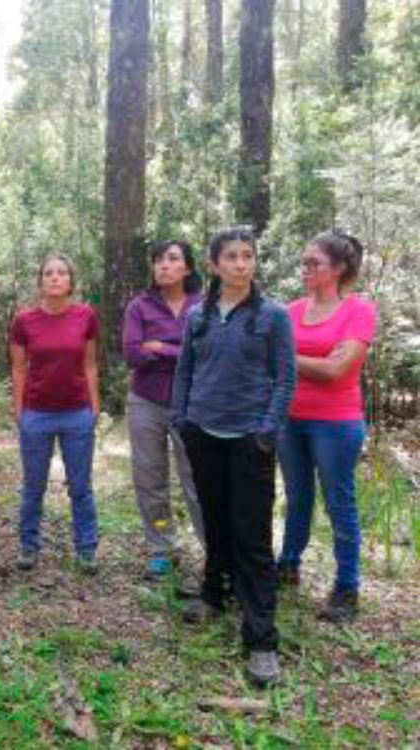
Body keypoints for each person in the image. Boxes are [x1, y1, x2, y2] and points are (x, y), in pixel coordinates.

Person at [171, 227, 295, 688]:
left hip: (249, 440)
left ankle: (261, 639)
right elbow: (185, 370)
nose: (241, 264)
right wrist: (181, 418)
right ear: (214, 264)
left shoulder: (272, 315)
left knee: (253, 536)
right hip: (203, 433)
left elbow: (285, 378)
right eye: (232, 256)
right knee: (215, 520)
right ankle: (213, 594)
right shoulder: (198, 315)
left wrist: (266, 431)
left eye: (248, 256)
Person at [277, 232, 377, 623]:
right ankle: (287, 566)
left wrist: (287, 356)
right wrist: (304, 362)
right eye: (303, 262)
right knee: (297, 497)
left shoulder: (358, 311)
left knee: (339, 502)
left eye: (314, 263)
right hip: (289, 420)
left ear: (339, 268)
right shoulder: (290, 311)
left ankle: (347, 588)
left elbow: (337, 370)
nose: (305, 269)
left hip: (336, 423)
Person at [10, 254, 101, 573]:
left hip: (77, 413)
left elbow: (90, 364)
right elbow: (18, 369)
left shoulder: (86, 316)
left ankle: (87, 549)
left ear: (70, 281)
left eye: (61, 273)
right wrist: (19, 411)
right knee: (33, 485)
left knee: (80, 486)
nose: (55, 277)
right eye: (48, 273)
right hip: (36, 414)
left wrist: (94, 407)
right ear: (40, 281)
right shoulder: (24, 321)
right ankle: (28, 546)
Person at [122, 241, 205, 580]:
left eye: (173, 259)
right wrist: (180, 350)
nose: (164, 265)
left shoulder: (204, 305)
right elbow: (132, 354)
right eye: (158, 260)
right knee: (150, 478)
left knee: (197, 480)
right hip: (146, 401)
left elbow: (205, 352)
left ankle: (215, 552)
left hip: (193, 404)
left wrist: (160, 348)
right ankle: (162, 549)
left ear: (188, 268)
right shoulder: (139, 306)